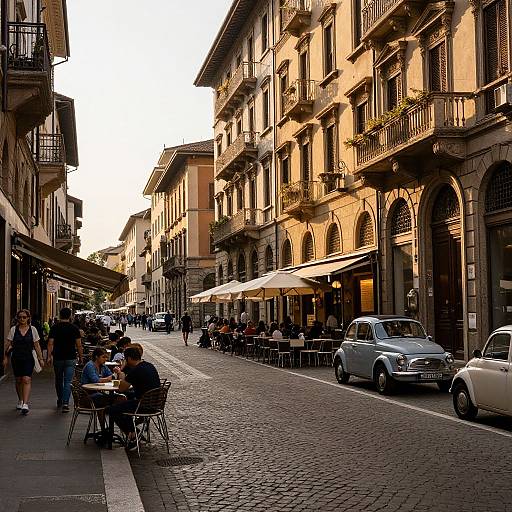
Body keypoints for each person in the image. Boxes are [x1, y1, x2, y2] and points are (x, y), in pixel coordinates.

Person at [108, 347, 161, 451]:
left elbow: (121, 389)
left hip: (144, 405)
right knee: (125, 403)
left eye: (125, 359)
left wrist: (121, 372)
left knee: (112, 410)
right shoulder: (149, 365)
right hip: (156, 403)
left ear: (128, 358)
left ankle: (133, 435)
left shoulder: (136, 370)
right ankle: (134, 432)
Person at [3, 309, 44, 415]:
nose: (22, 319)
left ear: (28, 318)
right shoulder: (13, 330)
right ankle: (20, 400)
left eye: (24, 317)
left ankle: (25, 404)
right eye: (20, 317)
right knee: (18, 380)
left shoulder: (33, 329)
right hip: (16, 358)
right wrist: (5, 358)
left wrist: (40, 359)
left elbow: (37, 345)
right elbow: (8, 344)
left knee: (26, 379)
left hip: (29, 358)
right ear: (17, 318)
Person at [47, 308, 83, 412]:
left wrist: (49, 356)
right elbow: (79, 345)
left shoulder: (54, 328)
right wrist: (80, 357)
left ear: (59, 315)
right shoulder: (74, 328)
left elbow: (50, 343)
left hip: (58, 357)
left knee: (58, 379)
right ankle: (66, 403)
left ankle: (60, 399)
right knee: (68, 381)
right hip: (71, 357)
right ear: (70, 316)